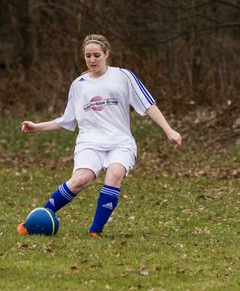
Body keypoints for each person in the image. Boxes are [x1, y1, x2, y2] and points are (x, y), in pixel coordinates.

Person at [17, 34, 182, 237]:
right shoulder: (79, 84)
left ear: (106, 54)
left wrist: (169, 130)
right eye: (88, 56)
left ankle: (95, 230)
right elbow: (67, 120)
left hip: (120, 142)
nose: (92, 60)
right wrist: (37, 127)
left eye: (96, 55)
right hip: (90, 143)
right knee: (80, 180)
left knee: (114, 173)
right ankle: (37, 220)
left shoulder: (123, 76)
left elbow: (148, 105)